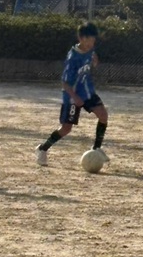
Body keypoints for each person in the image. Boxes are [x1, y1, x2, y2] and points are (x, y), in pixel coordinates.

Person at [36, 21, 109, 167]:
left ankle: (96, 148)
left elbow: (92, 58)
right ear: (81, 38)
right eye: (90, 40)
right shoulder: (73, 58)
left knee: (103, 115)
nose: (92, 43)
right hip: (72, 96)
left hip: (87, 92)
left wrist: (95, 60)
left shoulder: (90, 50)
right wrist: (75, 98)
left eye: (94, 40)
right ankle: (43, 149)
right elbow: (64, 82)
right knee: (66, 129)